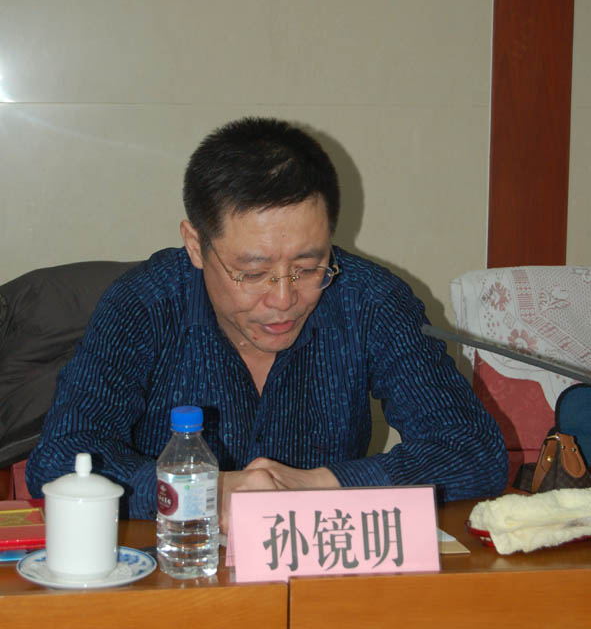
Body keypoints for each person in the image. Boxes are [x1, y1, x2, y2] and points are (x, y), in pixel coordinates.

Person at [26, 117, 508, 525]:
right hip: (177, 574)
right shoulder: (144, 304)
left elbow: (474, 451)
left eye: (309, 267)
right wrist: (204, 494)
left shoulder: (370, 301)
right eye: (253, 273)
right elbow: (60, 459)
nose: (283, 299)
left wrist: (325, 485)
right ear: (196, 245)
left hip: (321, 572)